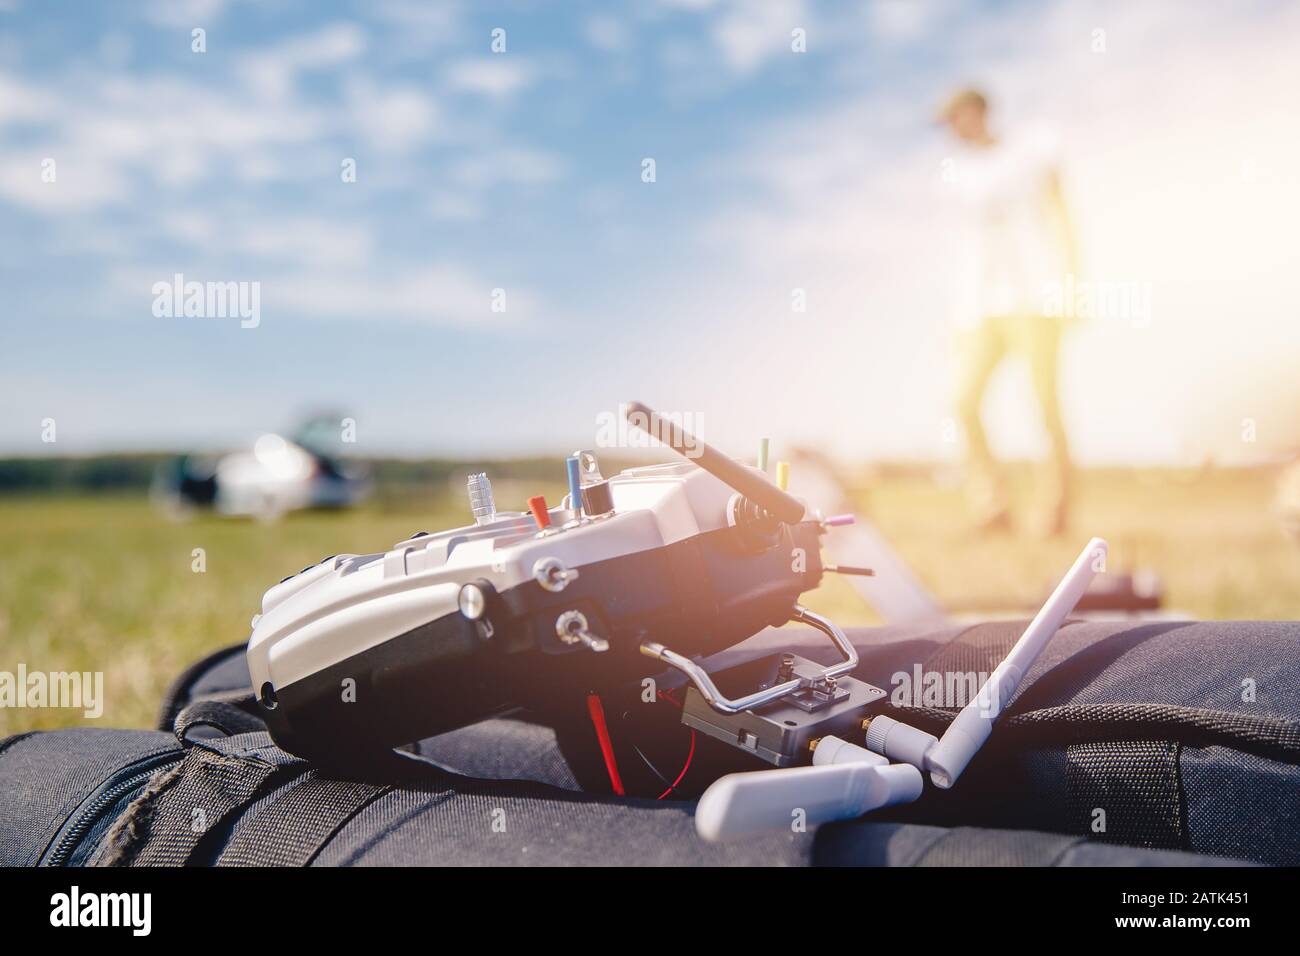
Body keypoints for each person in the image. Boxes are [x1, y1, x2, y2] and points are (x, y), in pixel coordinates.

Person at [940, 87, 1078, 536]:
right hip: (981, 310)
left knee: (1043, 406)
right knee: (963, 402)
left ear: (978, 112)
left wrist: (1072, 285)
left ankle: (1056, 510)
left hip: (1035, 301)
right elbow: (963, 248)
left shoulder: (1029, 154)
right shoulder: (959, 175)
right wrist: (958, 312)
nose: (951, 129)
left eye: (955, 117)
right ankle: (993, 506)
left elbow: (1061, 217)